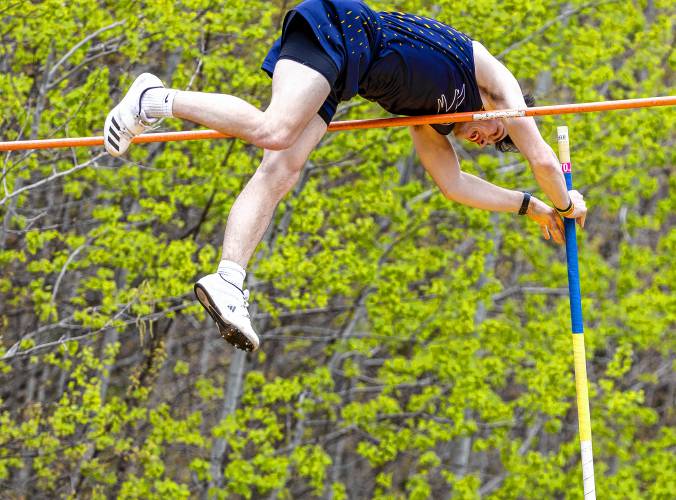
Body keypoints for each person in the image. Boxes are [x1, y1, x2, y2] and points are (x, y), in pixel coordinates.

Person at [103, 0, 587, 352]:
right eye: (498, 134)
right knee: (274, 130)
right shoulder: (498, 89)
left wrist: (531, 205)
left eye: (494, 145)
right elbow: (542, 160)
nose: (489, 138)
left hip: (343, 73)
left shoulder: (431, 123)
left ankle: (229, 279)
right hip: (343, 27)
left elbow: (454, 185)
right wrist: (567, 203)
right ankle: (153, 98)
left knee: (281, 168)